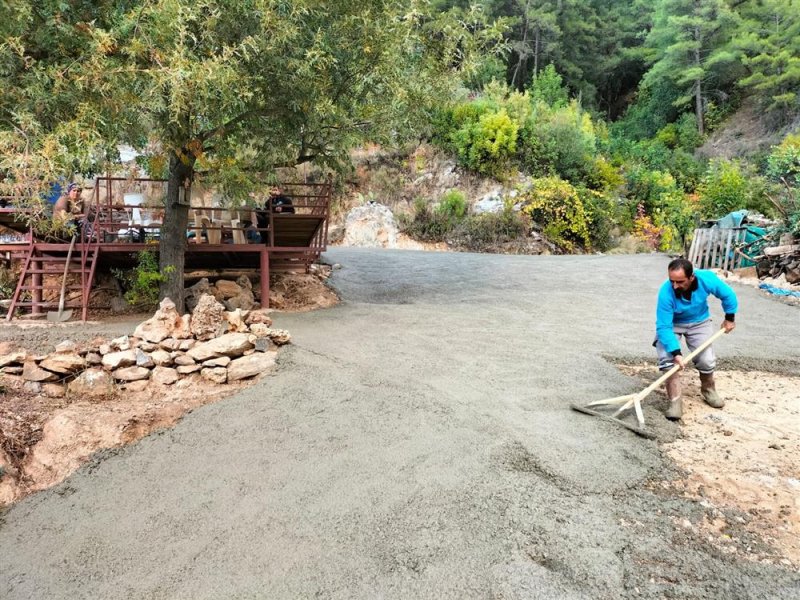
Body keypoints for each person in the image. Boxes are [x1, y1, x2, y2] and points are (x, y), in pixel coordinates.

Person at [655, 257, 737, 421]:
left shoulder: (706, 278)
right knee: (667, 358)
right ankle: (675, 401)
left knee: (706, 359)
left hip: (699, 322)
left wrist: (729, 318)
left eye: (680, 281)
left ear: (691, 277)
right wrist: (676, 352)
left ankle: (708, 389)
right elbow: (663, 327)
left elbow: (728, 295)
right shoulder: (666, 292)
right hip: (673, 324)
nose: (675, 286)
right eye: (672, 281)